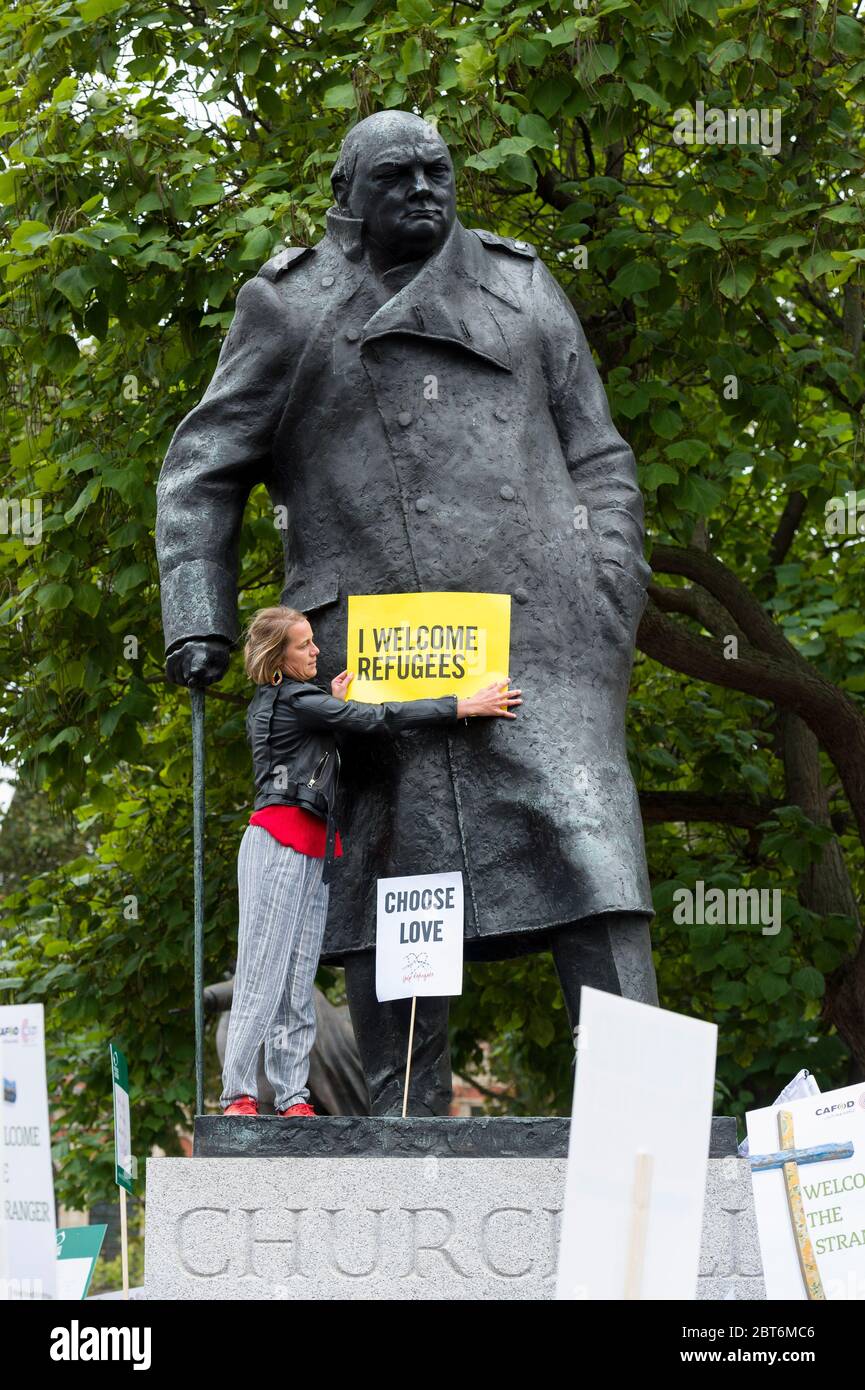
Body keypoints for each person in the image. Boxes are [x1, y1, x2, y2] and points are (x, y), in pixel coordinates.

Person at [157, 109, 658, 1118]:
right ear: (351, 193)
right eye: (398, 176)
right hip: (370, 649)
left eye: (439, 170)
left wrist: (610, 584)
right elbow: (200, 472)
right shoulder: (290, 308)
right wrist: (199, 617)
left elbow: (600, 455)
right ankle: (401, 1129)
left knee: (593, 852)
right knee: (394, 890)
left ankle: (644, 1111)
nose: (426, 188)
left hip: (540, 632)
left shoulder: (520, 287)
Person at [220, 604, 522, 1117]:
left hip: (311, 845)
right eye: (304, 644)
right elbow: (377, 717)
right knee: (263, 971)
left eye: (313, 640)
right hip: (277, 841)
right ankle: (237, 1094)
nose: (316, 650)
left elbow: (313, 740)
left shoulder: (295, 701)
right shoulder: (293, 698)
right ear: (278, 657)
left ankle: (293, 1095)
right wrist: (461, 706)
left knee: (297, 979)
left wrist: (329, 704)